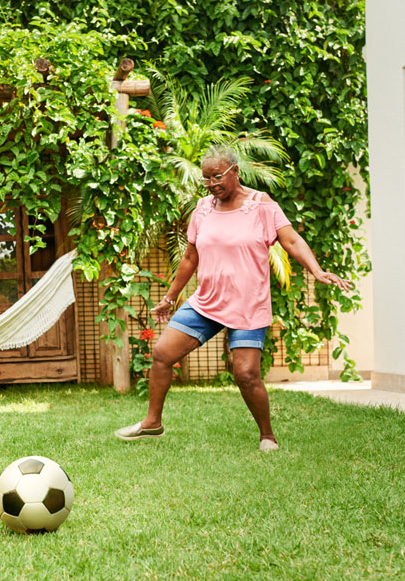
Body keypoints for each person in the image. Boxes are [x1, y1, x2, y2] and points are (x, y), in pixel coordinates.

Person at [115, 145, 351, 451]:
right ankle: (152, 423)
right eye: (206, 179)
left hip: (248, 305)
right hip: (206, 302)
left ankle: (267, 435)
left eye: (217, 176)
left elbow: (291, 239)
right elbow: (190, 257)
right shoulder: (203, 209)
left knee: (246, 374)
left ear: (235, 171)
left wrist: (317, 271)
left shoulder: (261, 206)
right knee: (162, 354)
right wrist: (170, 296)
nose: (212, 184)